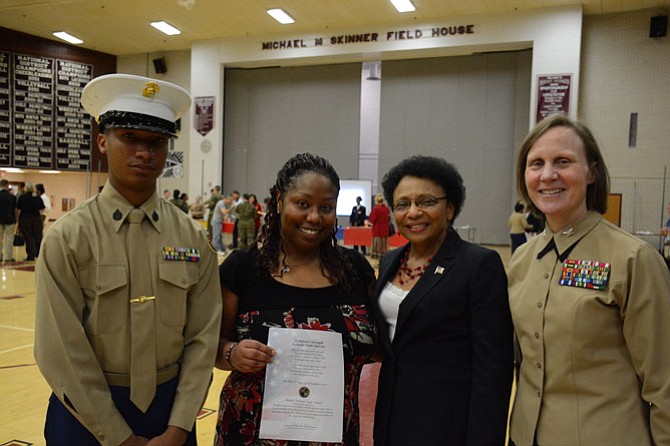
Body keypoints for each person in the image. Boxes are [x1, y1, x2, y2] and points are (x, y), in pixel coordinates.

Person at [34, 73, 222, 446]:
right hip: (86, 416)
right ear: (103, 141)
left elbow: (203, 337)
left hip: (171, 412)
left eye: (156, 142)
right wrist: (119, 436)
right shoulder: (68, 238)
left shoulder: (191, 237)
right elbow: (61, 349)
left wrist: (181, 424)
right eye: (129, 138)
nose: (144, 152)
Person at [508, 114, 670, 446]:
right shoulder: (521, 260)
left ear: (591, 171)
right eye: (536, 163)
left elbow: (663, 380)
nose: (548, 175)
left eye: (563, 161)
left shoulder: (633, 258)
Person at [214, 153, 376, 445]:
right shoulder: (242, 269)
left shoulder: (356, 271)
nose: (314, 217)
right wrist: (232, 354)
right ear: (279, 201)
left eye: (325, 207)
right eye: (302, 204)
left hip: (334, 434)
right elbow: (212, 344)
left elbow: (380, 348)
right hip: (251, 434)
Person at [372, 155, 513, 445]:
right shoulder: (389, 261)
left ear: (450, 208)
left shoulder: (478, 265)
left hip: (446, 424)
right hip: (392, 416)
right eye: (403, 204)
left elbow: (493, 369)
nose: (413, 212)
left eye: (426, 202)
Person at [17, 181, 44, 261]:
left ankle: (30, 256)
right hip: (36, 219)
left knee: (28, 238)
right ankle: (39, 255)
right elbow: (42, 208)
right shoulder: (38, 197)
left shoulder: (22, 197)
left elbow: (18, 208)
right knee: (38, 237)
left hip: (25, 219)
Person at [367, 192, 391, 260]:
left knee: (377, 248)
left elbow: (371, 220)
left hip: (377, 231)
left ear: (376, 200)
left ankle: (377, 262)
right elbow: (389, 219)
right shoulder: (386, 208)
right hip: (385, 231)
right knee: (384, 247)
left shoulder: (376, 209)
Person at [0, 179, 17, 262]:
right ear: (7, 185)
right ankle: (8, 257)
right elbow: (14, 209)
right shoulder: (12, 196)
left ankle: (0, 256)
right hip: (10, 219)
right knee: (9, 238)